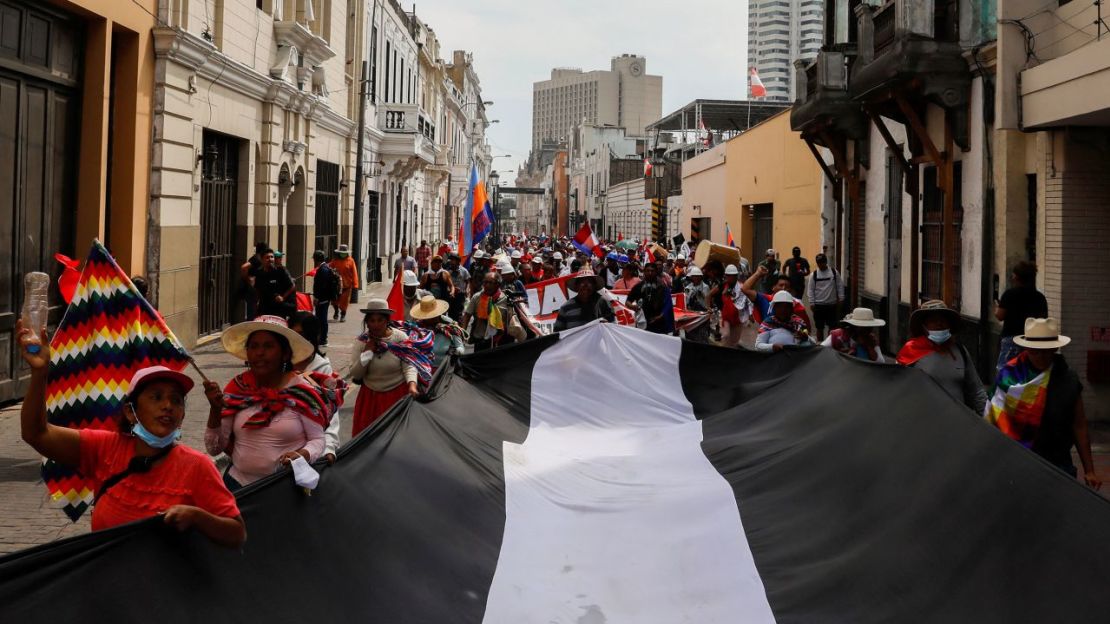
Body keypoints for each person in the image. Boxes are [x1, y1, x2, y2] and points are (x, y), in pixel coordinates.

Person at [16, 321, 246, 548]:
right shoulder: (104, 447)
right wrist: (39, 373)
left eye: (176, 400)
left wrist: (197, 517)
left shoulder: (198, 466)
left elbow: (237, 534)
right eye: (156, 397)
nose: (168, 406)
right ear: (130, 411)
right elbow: (36, 433)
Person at [206, 315, 342, 490]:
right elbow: (214, 448)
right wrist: (214, 411)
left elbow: (317, 440)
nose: (259, 353)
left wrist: (302, 455)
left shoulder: (302, 392)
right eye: (253, 346)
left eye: (268, 346)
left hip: (285, 490)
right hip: (238, 488)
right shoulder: (237, 389)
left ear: (285, 353)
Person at [985, 318, 1100, 489]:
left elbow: (1079, 425)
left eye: (1046, 351)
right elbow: (993, 420)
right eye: (1035, 351)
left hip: (1059, 464)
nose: (1041, 356)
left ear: (1055, 348)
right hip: (1018, 463)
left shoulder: (1068, 379)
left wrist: (1089, 469)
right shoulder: (1009, 378)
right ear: (1026, 348)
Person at [349, 298, 426, 435]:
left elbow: (409, 364)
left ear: (387, 321)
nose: (376, 325)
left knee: (396, 436)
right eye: (372, 320)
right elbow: (356, 374)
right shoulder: (362, 342)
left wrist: (412, 385)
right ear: (367, 322)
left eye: (380, 320)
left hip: (396, 395)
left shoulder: (400, 338)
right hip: (370, 398)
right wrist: (367, 353)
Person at [896, 300, 988, 414]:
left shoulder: (960, 351)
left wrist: (986, 419)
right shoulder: (910, 352)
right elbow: (898, 389)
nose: (939, 324)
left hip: (959, 422)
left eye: (943, 320)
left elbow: (976, 390)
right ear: (923, 326)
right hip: (924, 422)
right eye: (933, 320)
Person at [289, 311, 339, 465]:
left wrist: (328, 447)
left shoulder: (322, 370)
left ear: (313, 337)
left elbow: (330, 410)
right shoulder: (281, 362)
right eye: (292, 334)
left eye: (302, 334)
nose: (297, 340)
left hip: (308, 447)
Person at [994, 261, 1048, 374]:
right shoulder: (1039, 297)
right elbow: (1043, 320)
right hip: (1031, 340)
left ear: (1017, 277)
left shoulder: (1009, 294)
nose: (1012, 277)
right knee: (1028, 372)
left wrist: (996, 308)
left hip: (1011, 339)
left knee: (1006, 373)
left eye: (1013, 275)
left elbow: (1000, 316)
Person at [462, 272, 523, 351]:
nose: (487, 285)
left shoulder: (505, 299)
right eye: (485, 282)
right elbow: (467, 315)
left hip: (500, 341)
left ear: (498, 284)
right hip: (480, 339)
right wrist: (463, 332)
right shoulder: (477, 297)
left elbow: (511, 319)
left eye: (490, 283)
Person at [742, 265, 812, 330]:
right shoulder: (765, 299)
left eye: (787, 286)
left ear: (790, 290)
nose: (783, 288)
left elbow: (806, 328)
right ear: (773, 287)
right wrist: (758, 274)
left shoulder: (797, 306)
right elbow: (745, 289)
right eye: (780, 285)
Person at [410, 295, 466, 369]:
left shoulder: (450, 326)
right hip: (421, 367)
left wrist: (455, 351)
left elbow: (460, 347)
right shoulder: (417, 327)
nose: (429, 318)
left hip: (442, 368)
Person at [710, 264, 752, 348]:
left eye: (733, 276)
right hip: (726, 317)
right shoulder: (722, 286)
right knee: (726, 335)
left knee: (734, 342)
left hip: (738, 317)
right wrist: (709, 308)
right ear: (726, 276)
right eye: (729, 276)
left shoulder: (741, 287)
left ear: (736, 276)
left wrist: (750, 314)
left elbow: (748, 301)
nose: (731, 278)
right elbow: (709, 295)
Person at [626, 262, 674, 335]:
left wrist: (660, 316)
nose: (650, 273)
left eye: (652, 271)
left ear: (656, 272)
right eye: (648, 271)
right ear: (644, 272)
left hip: (659, 324)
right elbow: (628, 302)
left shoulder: (663, 287)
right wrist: (633, 307)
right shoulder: (638, 286)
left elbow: (668, 305)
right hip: (642, 323)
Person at [807, 253, 844, 341]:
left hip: (832, 305)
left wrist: (841, 298)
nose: (821, 264)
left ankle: (829, 344)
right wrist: (812, 303)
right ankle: (820, 345)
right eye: (819, 263)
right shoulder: (814, 275)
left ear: (826, 262)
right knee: (819, 327)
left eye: (822, 262)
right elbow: (810, 290)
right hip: (818, 306)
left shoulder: (834, 272)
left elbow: (839, 286)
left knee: (832, 327)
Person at [253, 248, 296, 318]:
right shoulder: (259, 273)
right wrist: (257, 301)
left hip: (278, 308)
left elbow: (292, 286)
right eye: (267, 257)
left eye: (272, 257)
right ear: (262, 260)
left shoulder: (280, 270)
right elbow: (257, 289)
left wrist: (282, 297)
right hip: (264, 307)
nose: (270, 259)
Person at [310, 250, 338, 346]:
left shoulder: (323, 270)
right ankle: (321, 338)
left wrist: (317, 298)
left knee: (322, 319)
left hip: (323, 299)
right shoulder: (324, 268)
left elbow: (322, 286)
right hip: (323, 298)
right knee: (320, 318)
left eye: (314, 259)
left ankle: (323, 339)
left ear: (316, 260)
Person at [329, 244, 359, 322]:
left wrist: (355, 284)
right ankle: (336, 311)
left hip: (347, 285)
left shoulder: (351, 260)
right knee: (334, 300)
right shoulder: (335, 260)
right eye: (341, 252)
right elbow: (329, 268)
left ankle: (343, 314)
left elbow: (354, 272)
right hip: (336, 285)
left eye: (344, 252)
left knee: (344, 301)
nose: (343, 254)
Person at [240, 242, 269, 319]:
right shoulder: (257, 259)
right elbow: (244, 267)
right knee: (252, 309)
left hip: (255, 287)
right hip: (253, 288)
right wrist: (247, 279)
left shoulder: (257, 258)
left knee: (254, 307)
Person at [444, 253, 470, 319]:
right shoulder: (447, 271)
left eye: (453, 260)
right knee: (450, 312)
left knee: (458, 313)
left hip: (460, 295)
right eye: (451, 260)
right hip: (450, 294)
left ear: (458, 261)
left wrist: (467, 290)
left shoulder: (464, 271)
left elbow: (468, 281)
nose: (451, 261)